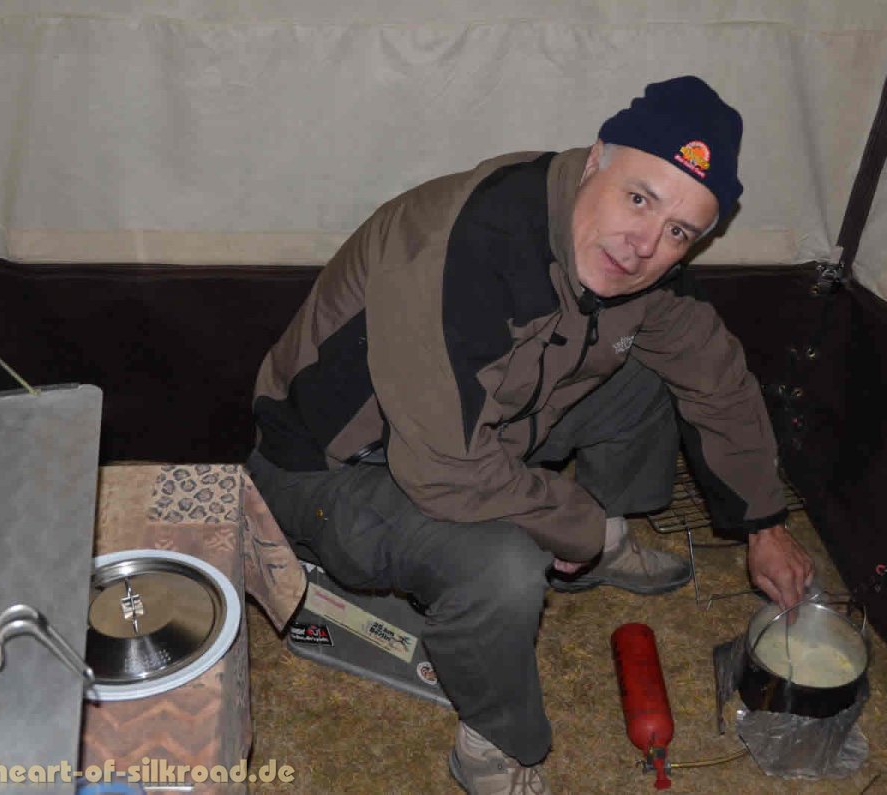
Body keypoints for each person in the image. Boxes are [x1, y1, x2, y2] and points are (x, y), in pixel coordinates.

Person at [248, 75, 815, 795]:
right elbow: (444, 468)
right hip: (332, 462)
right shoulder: (465, 245)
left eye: (680, 231)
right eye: (639, 198)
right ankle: (491, 745)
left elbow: (717, 376)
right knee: (504, 563)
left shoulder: (633, 265)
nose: (645, 245)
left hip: (485, 424)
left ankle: (602, 539)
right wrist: (574, 521)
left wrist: (764, 521)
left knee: (652, 371)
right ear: (596, 159)